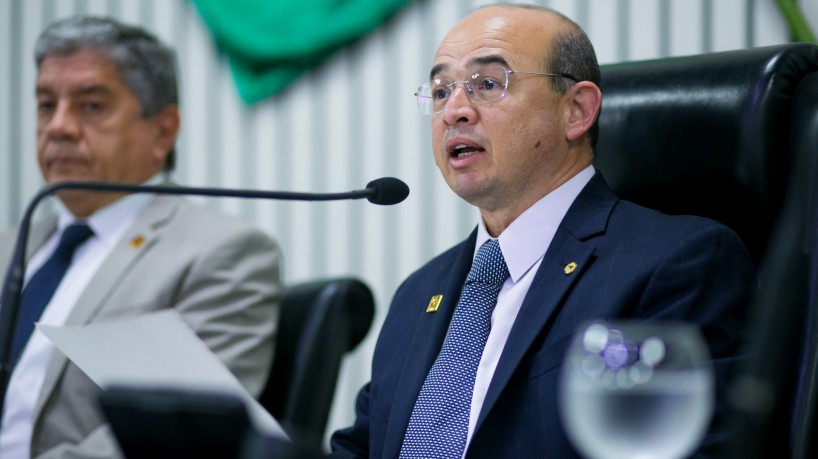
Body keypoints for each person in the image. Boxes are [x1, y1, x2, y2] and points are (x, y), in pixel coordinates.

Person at [330, 3, 754, 458]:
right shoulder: (418, 293)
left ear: (576, 110)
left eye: (487, 84)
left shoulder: (677, 263)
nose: (454, 110)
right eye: (440, 91)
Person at [0, 16, 282, 458]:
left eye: (91, 106)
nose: (58, 127)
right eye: (45, 105)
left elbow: (170, 434)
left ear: (163, 130)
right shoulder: (10, 247)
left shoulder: (223, 253)